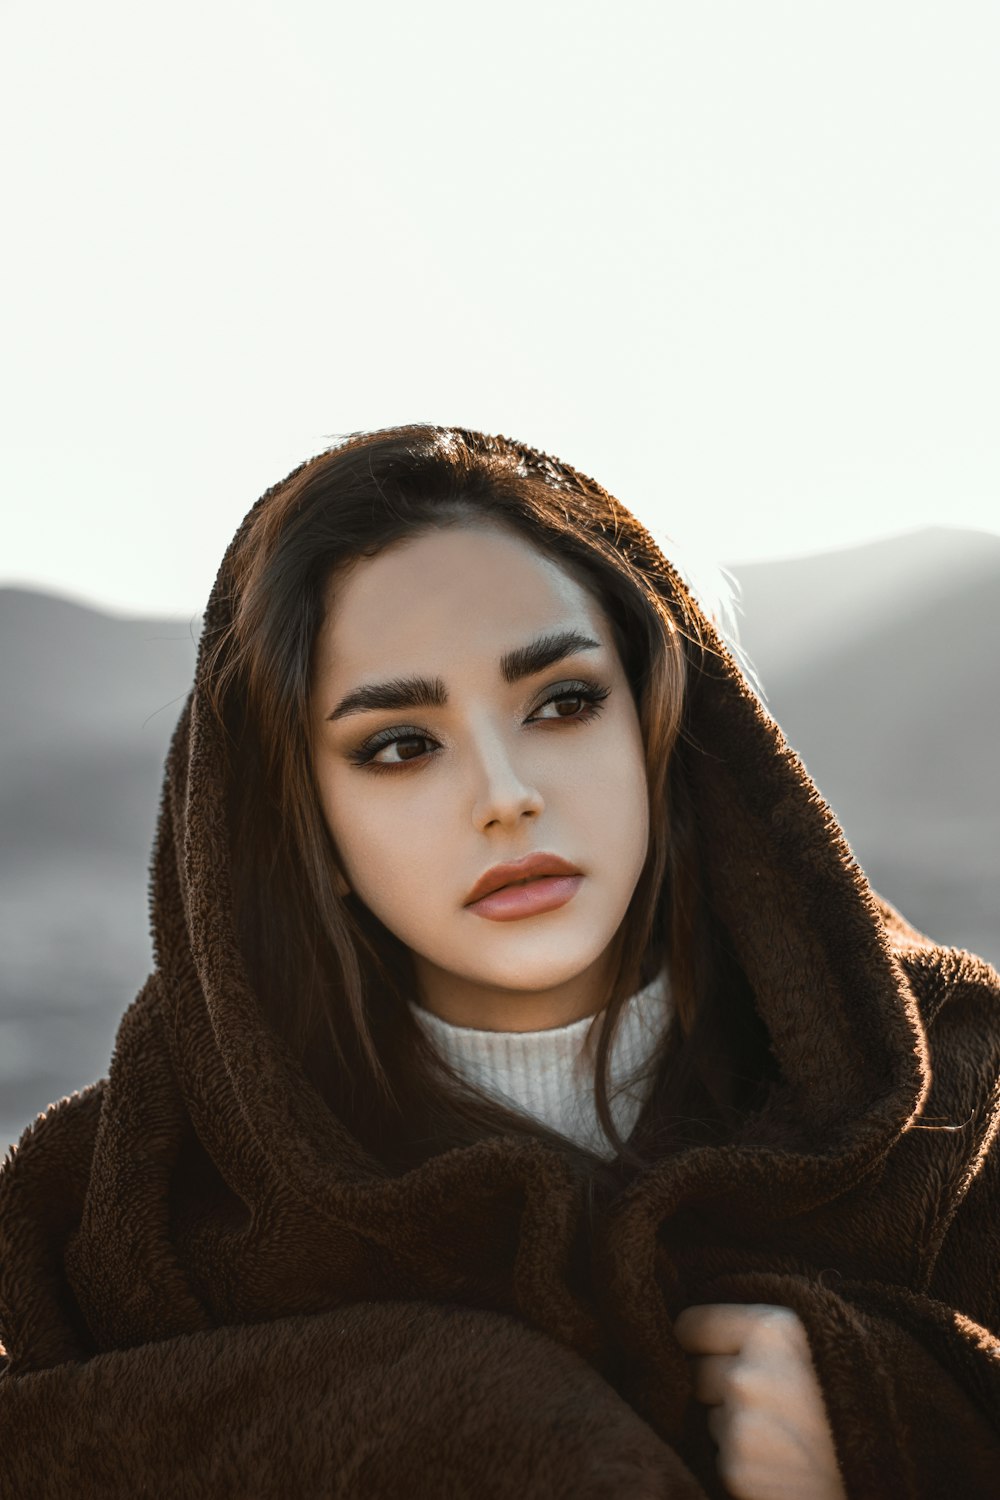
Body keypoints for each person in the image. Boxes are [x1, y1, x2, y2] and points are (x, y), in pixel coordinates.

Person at [0, 423, 997, 1499]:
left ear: (665, 728)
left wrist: (892, 1425)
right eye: (399, 745)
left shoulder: (962, 1083)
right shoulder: (119, 1206)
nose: (504, 794)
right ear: (302, 830)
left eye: (562, 703)